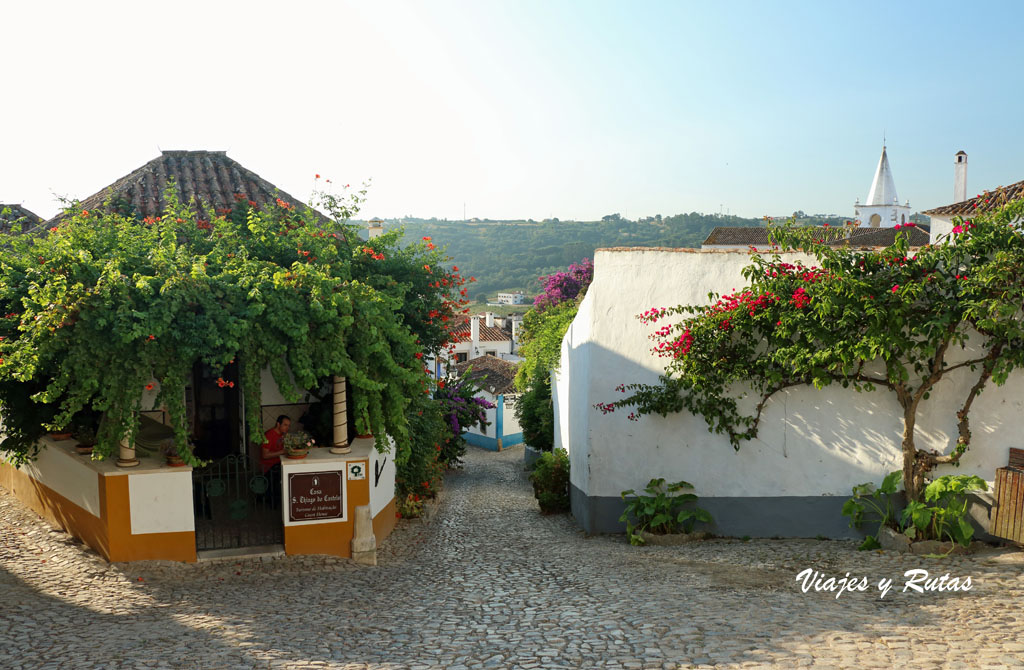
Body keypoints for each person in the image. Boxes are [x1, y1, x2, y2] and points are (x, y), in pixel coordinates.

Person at [260, 415, 290, 507]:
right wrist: (282, 452)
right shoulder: (269, 435)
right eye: (285, 425)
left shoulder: (281, 434)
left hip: (278, 463)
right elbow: (264, 455)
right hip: (269, 467)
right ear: (278, 424)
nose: (287, 428)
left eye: (288, 425)